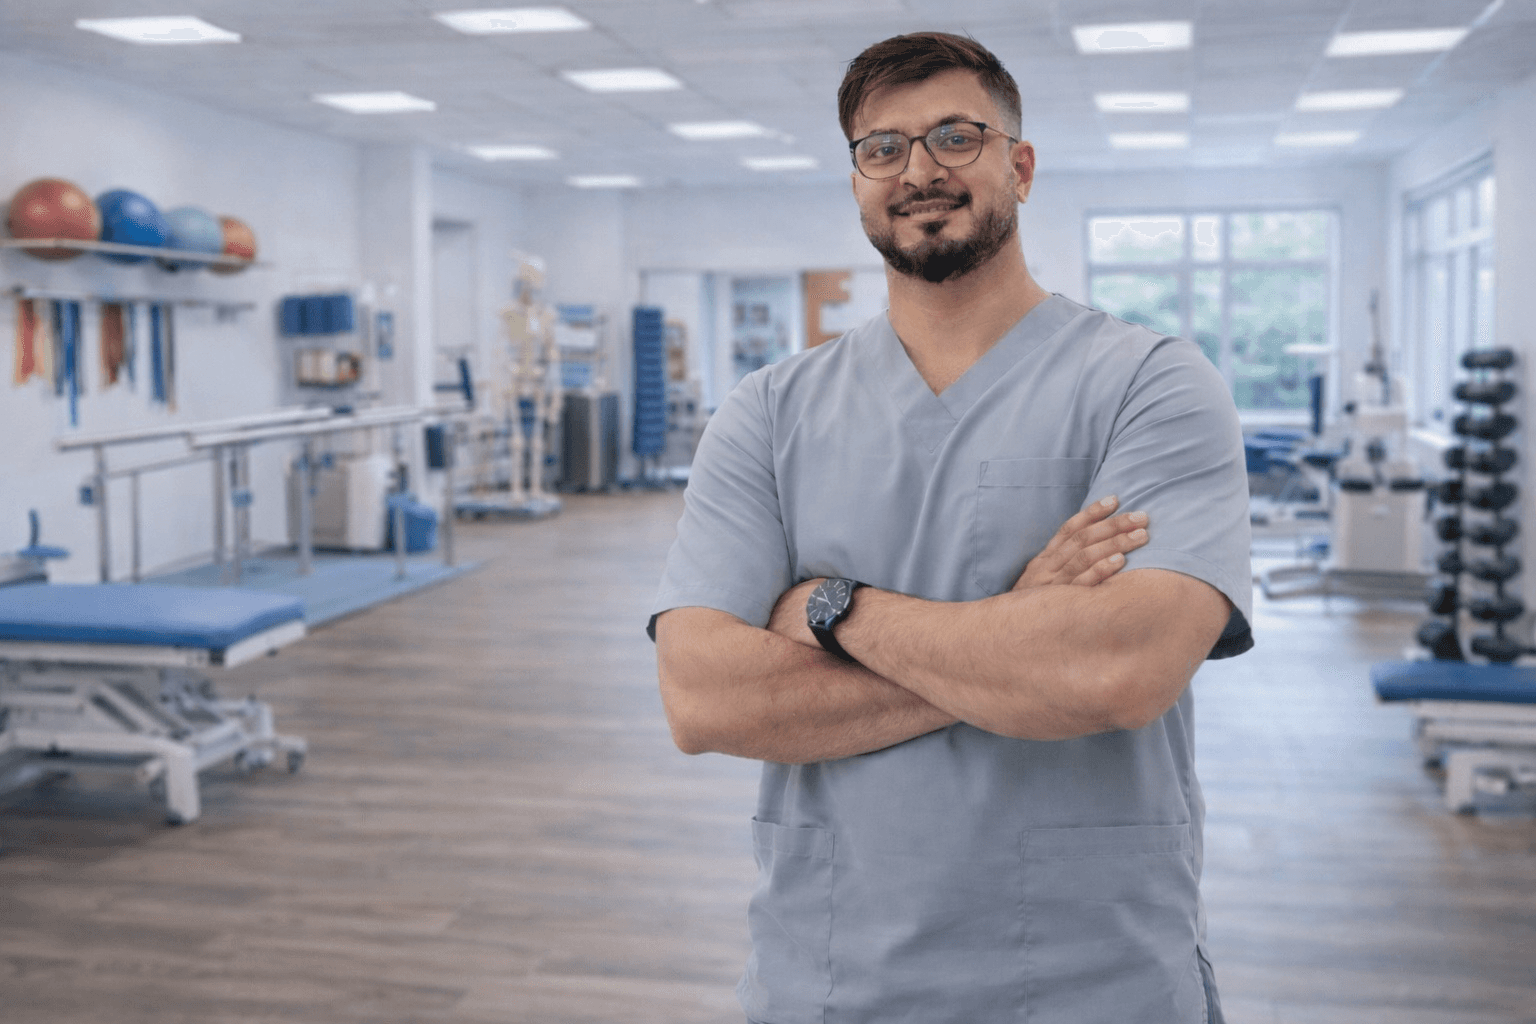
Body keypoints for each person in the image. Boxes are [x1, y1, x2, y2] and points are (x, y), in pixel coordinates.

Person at [649, 30, 1252, 1024]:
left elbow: (1119, 668)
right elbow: (703, 696)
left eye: (954, 136)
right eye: (881, 148)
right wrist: (1017, 633)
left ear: (1018, 164)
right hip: (832, 977)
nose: (918, 170)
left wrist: (832, 610)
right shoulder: (768, 411)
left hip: (1094, 978)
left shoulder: (1148, 384)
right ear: (856, 183)